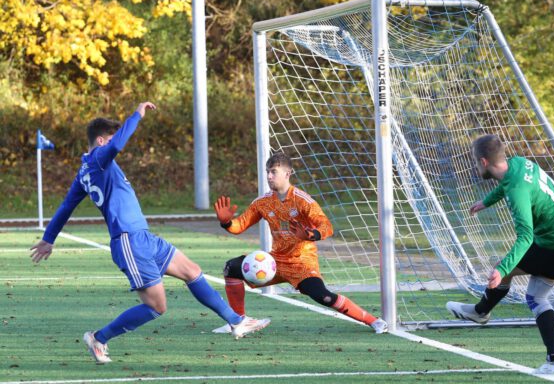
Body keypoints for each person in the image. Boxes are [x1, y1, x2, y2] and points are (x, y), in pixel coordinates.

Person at [29, 102, 268, 364]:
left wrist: (48, 239)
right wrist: (137, 114)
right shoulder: (98, 159)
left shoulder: (85, 171)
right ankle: (99, 338)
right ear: (100, 141)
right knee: (157, 306)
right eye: (109, 139)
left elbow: (65, 207)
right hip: (129, 241)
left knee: (192, 271)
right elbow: (117, 145)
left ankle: (237, 321)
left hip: (142, 237)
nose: (113, 144)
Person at [446, 134, 554, 375]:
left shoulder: (518, 192)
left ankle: (553, 359)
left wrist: (501, 270)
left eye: (475, 162)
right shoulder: (518, 163)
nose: (474, 166)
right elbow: (506, 184)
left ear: (484, 162)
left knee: (534, 296)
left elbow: (525, 237)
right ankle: (481, 312)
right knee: (530, 289)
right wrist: (487, 201)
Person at [212, 152, 388, 335]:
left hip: (301, 263)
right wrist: (226, 223)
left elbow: (326, 226)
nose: (269, 176)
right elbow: (239, 225)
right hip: (276, 262)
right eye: (267, 172)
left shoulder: (302, 200)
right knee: (231, 268)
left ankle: (374, 321)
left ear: (288, 174)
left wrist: (311, 234)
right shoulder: (262, 202)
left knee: (324, 297)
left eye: (273, 171)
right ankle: (238, 321)